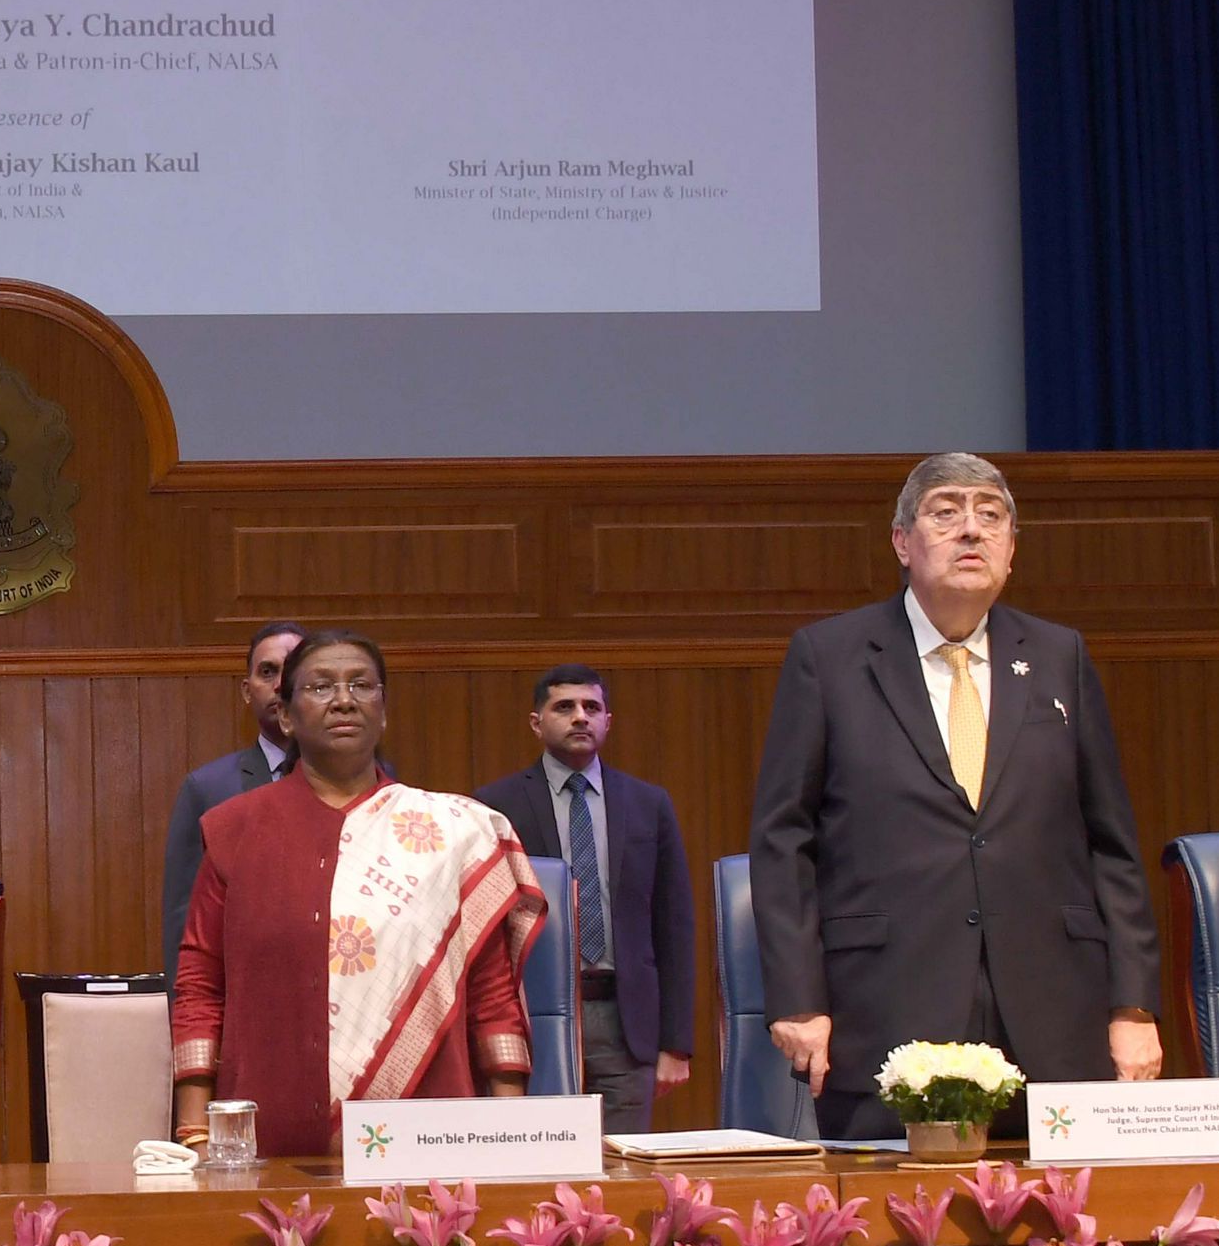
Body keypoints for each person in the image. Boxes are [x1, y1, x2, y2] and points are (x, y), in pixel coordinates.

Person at [748, 453, 1162, 1139]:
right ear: (902, 541)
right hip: (886, 1011)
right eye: (946, 513)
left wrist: (1133, 1006)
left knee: (1064, 1209)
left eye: (990, 516)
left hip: (1055, 1020)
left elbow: (1110, 841)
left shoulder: (1059, 655)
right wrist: (797, 998)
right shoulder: (830, 656)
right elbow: (782, 837)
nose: (971, 529)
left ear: (1012, 549)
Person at [172, 631, 544, 1156]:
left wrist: (510, 1134)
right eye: (321, 686)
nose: (344, 699)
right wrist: (194, 1131)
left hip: (427, 1136)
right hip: (270, 1133)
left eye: (362, 685)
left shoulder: (453, 834)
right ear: (286, 716)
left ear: (383, 712)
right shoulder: (235, 830)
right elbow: (201, 983)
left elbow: (492, 994)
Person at [476, 665, 695, 1130]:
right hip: (536, 1015)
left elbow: (673, 925)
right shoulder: (495, 806)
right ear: (537, 723)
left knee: (622, 1162)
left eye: (591, 707)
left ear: (607, 722)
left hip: (625, 1020)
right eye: (564, 707)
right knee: (539, 1156)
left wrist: (675, 1043)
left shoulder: (648, 803)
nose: (580, 717)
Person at [157, 620, 306, 982]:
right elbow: (184, 921)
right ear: (246, 691)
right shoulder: (208, 789)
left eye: (292, 671)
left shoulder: (368, 780)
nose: (279, 684)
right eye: (267, 671)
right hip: (244, 992)